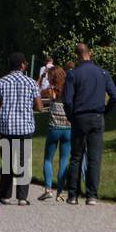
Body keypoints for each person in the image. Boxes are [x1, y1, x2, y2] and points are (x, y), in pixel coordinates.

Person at [62, 43, 116, 206]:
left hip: (80, 117)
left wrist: (71, 116)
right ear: (90, 53)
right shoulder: (103, 73)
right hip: (97, 116)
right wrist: (105, 111)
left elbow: (67, 100)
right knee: (94, 157)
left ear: (77, 56)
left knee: (76, 156)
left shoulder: (73, 74)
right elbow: (115, 96)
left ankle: (73, 194)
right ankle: (92, 195)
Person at [0, 52, 43, 205]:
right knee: (23, 162)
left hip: (6, 127)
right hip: (25, 127)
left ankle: (5, 195)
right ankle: (22, 197)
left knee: (7, 162)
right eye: (26, 63)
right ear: (21, 65)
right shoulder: (31, 83)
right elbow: (39, 106)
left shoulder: (1, 82)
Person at [39, 64, 71, 200]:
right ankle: (60, 191)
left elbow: (38, 91)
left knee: (48, 159)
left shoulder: (50, 90)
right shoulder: (69, 89)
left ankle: (48, 189)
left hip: (54, 128)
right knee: (64, 159)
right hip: (68, 128)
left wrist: (41, 78)